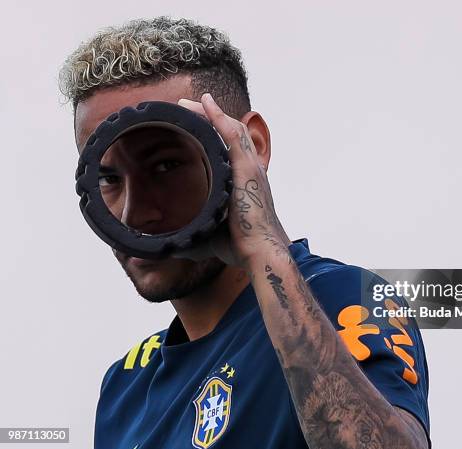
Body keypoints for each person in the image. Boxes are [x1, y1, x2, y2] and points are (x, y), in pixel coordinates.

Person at [59, 16, 430, 449]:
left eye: (165, 166)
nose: (132, 212)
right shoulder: (125, 388)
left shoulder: (345, 298)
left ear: (249, 143)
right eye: (108, 179)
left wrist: (263, 248)